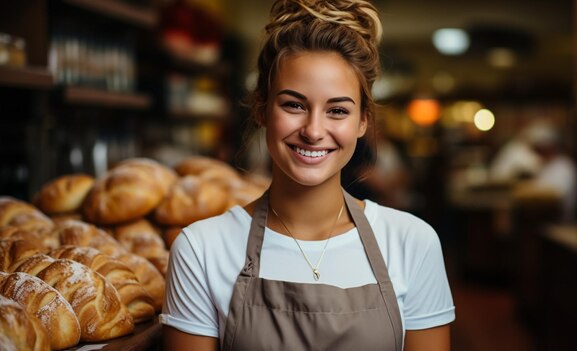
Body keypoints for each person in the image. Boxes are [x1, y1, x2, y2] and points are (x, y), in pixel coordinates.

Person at [160, 1, 455, 350]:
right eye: (294, 105)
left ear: (363, 121)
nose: (314, 131)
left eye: (337, 110)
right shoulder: (201, 250)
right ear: (262, 110)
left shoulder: (412, 244)